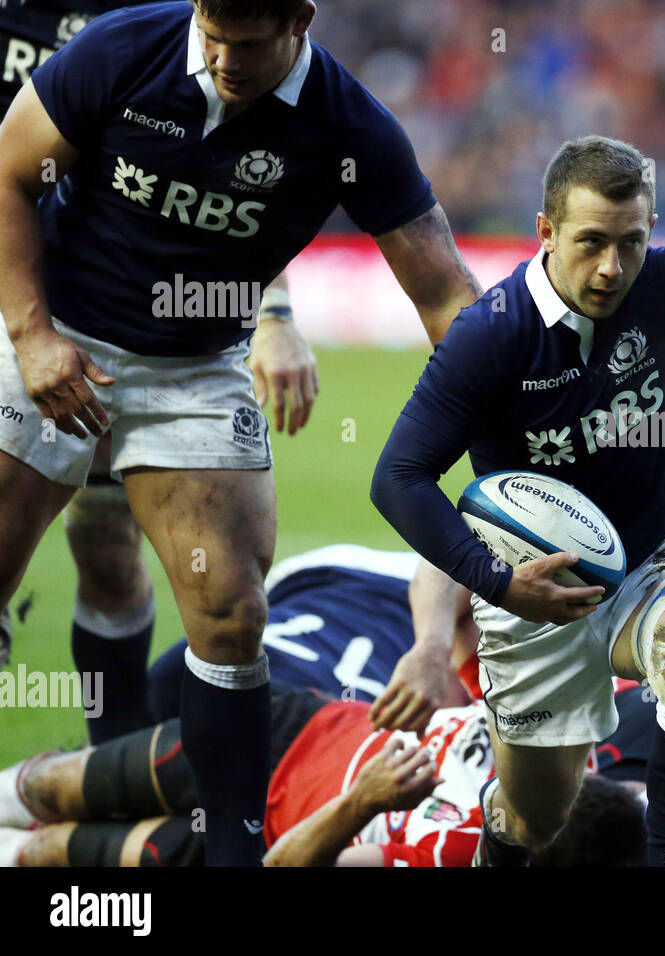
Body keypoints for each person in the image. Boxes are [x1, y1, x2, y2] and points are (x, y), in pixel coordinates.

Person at [0, 0, 481, 866]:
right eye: (211, 34)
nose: (223, 58)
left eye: (247, 43)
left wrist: (512, 409)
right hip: (61, 334)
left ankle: (231, 851)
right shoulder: (123, 49)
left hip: (195, 365)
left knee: (231, 613)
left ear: (300, 21)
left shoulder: (348, 122)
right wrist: (31, 336)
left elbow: (443, 291)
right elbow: (7, 169)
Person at [370, 7, 665, 867]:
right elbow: (398, 476)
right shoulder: (493, 334)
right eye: (590, 243)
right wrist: (496, 583)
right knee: (534, 823)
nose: (611, 269)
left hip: (651, 559)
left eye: (631, 244)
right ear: (546, 232)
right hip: (530, 592)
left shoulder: (663, 289)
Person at [0, 544, 665, 867]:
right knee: (52, 785)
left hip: (272, 827)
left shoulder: (439, 857)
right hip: (289, 729)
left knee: (54, 852)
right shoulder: (580, 759)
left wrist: (362, 801)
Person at [0, 1, 316, 747]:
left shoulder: (157, 23)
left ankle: (110, 764)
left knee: (108, 547)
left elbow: (232, 183)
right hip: (17, 282)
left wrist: (273, 315)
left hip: (85, 307)